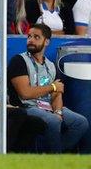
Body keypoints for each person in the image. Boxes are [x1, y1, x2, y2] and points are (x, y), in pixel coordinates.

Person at [8, 23, 89, 153]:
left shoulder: (51, 65)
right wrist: (52, 87)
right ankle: (55, 161)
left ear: (46, 42)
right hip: (27, 107)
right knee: (53, 121)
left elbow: (57, 93)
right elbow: (25, 93)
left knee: (81, 122)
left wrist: (58, 112)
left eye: (36, 37)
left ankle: (50, 154)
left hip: (48, 106)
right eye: (29, 36)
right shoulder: (19, 61)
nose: (31, 40)